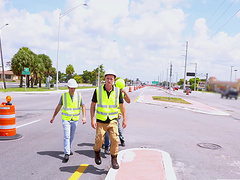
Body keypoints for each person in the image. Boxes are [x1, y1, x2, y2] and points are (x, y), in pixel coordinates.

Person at [90, 69, 127, 169]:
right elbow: (93, 105)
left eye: (111, 78)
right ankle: (97, 152)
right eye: (107, 78)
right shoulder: (98, 90)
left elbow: (122, 105)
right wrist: (92, 119)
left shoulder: (118, 91)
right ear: (105, 79)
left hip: (113, 120)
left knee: (115, 139)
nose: (109, 80)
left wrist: (124, 119)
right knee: (99, 140)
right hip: (101, 121)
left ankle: (114, 159)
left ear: (114, 80)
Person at [50, 79, 86, 163]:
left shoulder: (79, 96)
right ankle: (66, 153)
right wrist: (53, 116)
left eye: (74, 88)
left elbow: (83, 106)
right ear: (68, 87)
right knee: (67, 135)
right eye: (71, 88)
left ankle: (68, 148)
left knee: (71, 135)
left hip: (75, 119)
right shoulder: (64, 96)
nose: (73, 89)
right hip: (66, 119)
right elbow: (58, 106)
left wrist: (84, 117)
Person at [103, 78, 130, 151]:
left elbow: (128, 101)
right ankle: (106, 144)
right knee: (107, 130)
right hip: (108, 114)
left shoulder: (122, 93)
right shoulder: (113, 92)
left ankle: (121, 139)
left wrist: (125, 92)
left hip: (116, 114)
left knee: (117, 129)